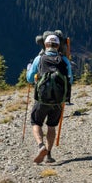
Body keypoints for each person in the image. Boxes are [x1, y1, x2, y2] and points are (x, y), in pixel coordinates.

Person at [26, 34, 73, 164]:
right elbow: (70, 80)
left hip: (42, 100)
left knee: (36, 123)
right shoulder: (64, 60)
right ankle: (49, 155)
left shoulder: (39, 59)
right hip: (58, 101)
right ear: (58, 46)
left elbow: (29, 79)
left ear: (45, 45)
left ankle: (41, 146)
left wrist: (29, 69)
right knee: (51, 126)